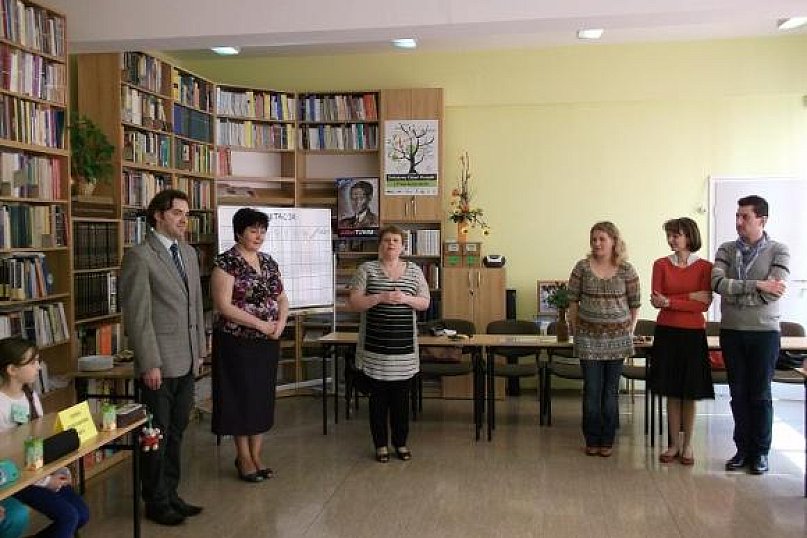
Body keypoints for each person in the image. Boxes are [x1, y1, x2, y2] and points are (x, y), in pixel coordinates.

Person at [119, 189, 206, 525]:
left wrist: (200, 349)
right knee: (156, 434)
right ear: (158, 215)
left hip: (187, 358)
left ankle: (171, 493)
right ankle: (155, 501)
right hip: (159, 363)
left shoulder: (188, 252)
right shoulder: (139, 256)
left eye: (186, 214)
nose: (184, 220)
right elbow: (138, 316)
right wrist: (149, 362)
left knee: (178, 430)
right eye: (176, 213)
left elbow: (196, 306)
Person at [711, 195, 789, 475]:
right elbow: (718, 284)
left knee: (760, 394)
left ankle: (761, 453)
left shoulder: (779, 250)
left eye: (745, 216)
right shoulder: (726, 249)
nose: (738, 221)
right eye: (737, 215)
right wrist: (757, 284)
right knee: (738, 394)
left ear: (762, 220)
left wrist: (738, 292)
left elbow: (775, 291)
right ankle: (742, 450)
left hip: (764, 333)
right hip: (732, 331)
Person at [210, 208, 289, 483]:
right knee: (240, 397)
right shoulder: (226, 262)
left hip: (267, 342)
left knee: (260, 397)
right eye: (253, 230)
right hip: (236, 342)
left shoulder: (267, 261)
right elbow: (223, 306)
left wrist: (281, 323)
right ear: (239, 232)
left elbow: (282, 297)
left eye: (262, 231)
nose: (259, 236)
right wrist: (260, 324)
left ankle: (257, 455)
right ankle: (243, 457)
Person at [348, 225, 430, 463]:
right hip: (375, 351)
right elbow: (354, 303)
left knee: (401, 402)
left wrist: (405, 299)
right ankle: (381, 445)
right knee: (378, 402)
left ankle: (401, 443)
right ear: (380, 245)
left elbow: (424, 302)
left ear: (403, 246)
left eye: (396, 240)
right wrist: (380, 297)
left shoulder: (414, 271)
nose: (391, 244)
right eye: (386, 240)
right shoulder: (367, 269)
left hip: (404, 352)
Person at [0, 337, 89, 538]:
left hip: (39, 471)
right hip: (17, 479)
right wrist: (46, 481)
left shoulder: (30, 396)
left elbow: (43, 440)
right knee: (68, 517)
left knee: (82, 514)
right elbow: (8, 462)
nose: (39, 367)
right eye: (32, 363)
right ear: (12, 370)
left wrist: (60, 469)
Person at [567, 221, 641, 457]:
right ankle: (592, 438)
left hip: (618, 340)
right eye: (594, 239)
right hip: (588, 339)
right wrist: (575, 327)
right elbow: (572, 300)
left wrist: (630, 330)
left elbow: (635, 304)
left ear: (613, 241)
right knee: (592, 389)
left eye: (602, 239)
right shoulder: (581, 267)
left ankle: (607, 439)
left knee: (610, 391)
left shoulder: (627, 270)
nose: (597, 243)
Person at [649, 218, 714, 465]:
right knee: (672, 391)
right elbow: (657, 300)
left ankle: (688, 446)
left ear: (689, 237)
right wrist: (688, 296)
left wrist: (672, 300)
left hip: (693, 334)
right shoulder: (660, 265)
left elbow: (703, 304)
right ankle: (673, 444)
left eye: (676, 235)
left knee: (690, 392)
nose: (671, 240)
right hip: (667, 332)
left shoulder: (705, 267)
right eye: (669, 235)